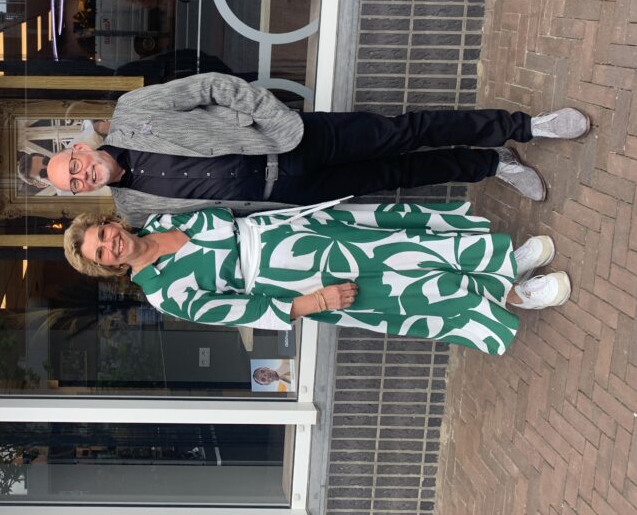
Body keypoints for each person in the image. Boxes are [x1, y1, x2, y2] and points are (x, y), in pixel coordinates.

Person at [45, 73, 589, 224]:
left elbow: (212, 86)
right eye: (73, 184)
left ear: (79, 150)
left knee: (404, 132)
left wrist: (275, 117)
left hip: (294, 138)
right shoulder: (133, 211)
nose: (80, 176)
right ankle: (492, 163)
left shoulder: (132, 111)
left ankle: (524, 126)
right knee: (398, 175)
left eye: (73, 165)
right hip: (291, 195)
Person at [63, 204, 569, 354]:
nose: (110, 245)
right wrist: (317, 303)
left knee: (408, 245)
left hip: (305, 232)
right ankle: (514, 296)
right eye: (101, 253)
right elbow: (242, 311)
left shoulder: (161, 221)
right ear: (108, 267)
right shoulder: (164, 293)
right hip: (296, 279)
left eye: (103, 234)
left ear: (111, 224)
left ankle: (505, 262)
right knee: (408, 289)